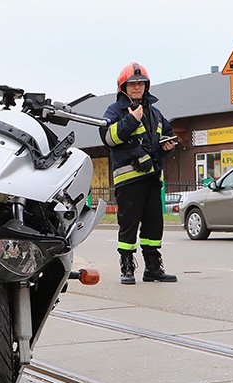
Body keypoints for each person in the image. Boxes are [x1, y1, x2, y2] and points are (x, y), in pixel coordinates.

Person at [100, 62, 178, 285]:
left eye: (140, 84)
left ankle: (153, 268)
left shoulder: (155, 113)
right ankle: (127, 268)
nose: (137, 88)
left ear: (147, 86)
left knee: (154, 225)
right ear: (122, 87)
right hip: (129, 180)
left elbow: (167, 136)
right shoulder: (115, 111)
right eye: (132, 84)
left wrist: (168, 147)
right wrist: (131, 119)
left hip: (153, 179)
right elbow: (109, 138)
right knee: (129, 226)